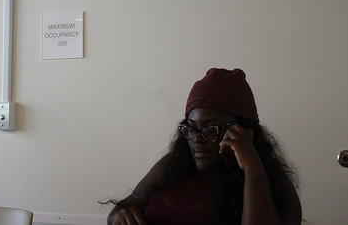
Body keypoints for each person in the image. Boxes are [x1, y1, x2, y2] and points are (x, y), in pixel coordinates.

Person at [107, 68, 301, 225]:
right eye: (191, 128)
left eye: (211, 129)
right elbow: (126, 206)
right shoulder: (174, 165)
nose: (197, 139)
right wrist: (119, 216)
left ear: (245, 132)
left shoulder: (272, 181)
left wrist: (252, 168)